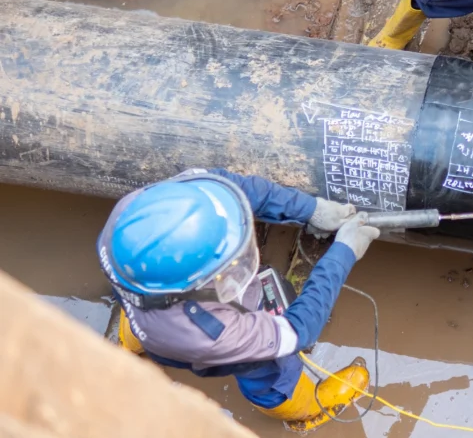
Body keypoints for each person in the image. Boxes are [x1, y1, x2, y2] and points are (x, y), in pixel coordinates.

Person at [97, 168, 380, 430]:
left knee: (138, 325)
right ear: (199, 285)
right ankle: (304, 409)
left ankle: (130, 345)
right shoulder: (213, 334)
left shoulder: (135, 213)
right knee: (268, 375)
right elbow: (299, 330)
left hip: (140, 307)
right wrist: (343, 253)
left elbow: (238, 188)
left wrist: (311, 209)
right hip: (186, 335)